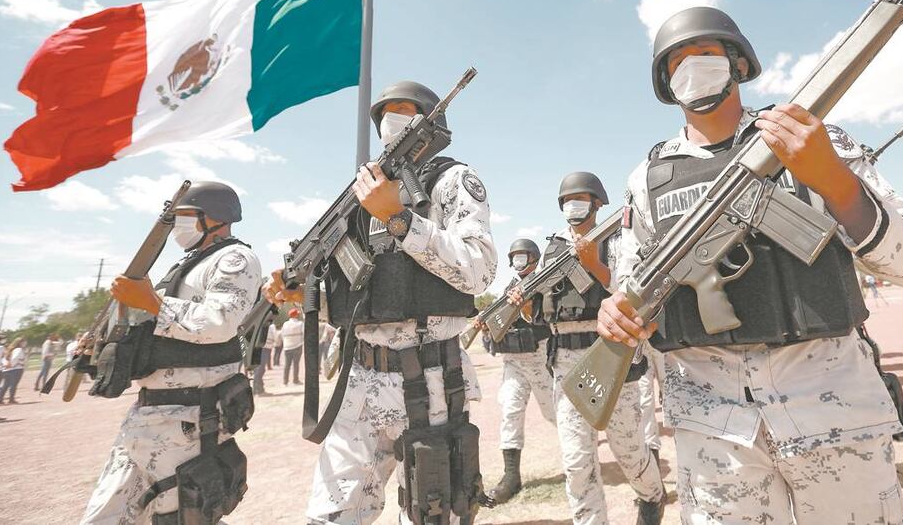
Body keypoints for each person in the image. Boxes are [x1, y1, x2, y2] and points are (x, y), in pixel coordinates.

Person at [597, 6, 903, 524]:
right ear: (665, 83)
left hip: (832, 408)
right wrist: (617, 313)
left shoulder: (813, 137)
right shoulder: (647, 178)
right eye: (677, 62)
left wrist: (835, 181)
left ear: (738, 63)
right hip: (712, 429)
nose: (692, 68)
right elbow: (629, 286)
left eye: (704, 55)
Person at [265, 80, 497, 524]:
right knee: (329, 516)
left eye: (403, 109)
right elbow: (358, 291)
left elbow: (479, 271)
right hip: (360, 380)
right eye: (384, 113)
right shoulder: (364, 194)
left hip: (430, 381)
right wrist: (306, 291)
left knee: (433, 514)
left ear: (429, 120)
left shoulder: (452, 181)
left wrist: (400, 218)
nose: (391, 119)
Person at [80, 181, 263, 523]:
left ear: (215, 218)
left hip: (190, 417)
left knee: (178, 515)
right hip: (146, 415)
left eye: (186, 217)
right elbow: (151, 331)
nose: (179, 226)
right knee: (104, 516)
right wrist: (102, 348)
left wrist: (152, 302)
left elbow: (220, 321)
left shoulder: (235, 258)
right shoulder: (183, 266)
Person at [526, 172, 665, 525]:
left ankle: (652, 497)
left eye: (582, 197)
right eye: (567, 199)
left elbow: (634, 291)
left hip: (610, 355)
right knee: (576, 461)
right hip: (566, 362)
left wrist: (594, 266)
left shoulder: (617, 237)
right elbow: (540, 312)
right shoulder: (553, 248)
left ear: (598, 203)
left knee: (630, 452)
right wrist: (524, 306)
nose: (573, 205)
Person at [483, 238, 557, 506]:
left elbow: (545, 317)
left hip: (539, 360)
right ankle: (511, 476)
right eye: (514, 256)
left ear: (535, 258)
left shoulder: (545, 282)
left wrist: (526, 307)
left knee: (557, 415)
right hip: (513, 363)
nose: (518, 260)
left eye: (523, 255)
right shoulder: (510, 287)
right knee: (509, 413)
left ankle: (583, 455)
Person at [0, 336, 26, 404]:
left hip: (6, 370)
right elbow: (15, 358)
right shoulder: (19, 349)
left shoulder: (9, 349)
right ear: (20, 343)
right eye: (23, 342)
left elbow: (3, 359)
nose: (25, 343)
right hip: (16, 369)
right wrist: (10, 365)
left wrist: (5, 365)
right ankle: (11, 399)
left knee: (5, 385)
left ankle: (0, 399)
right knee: (13, 385)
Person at [280, 308, 303, 386]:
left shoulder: (285, 324)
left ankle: (285, 381)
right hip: (297, 346)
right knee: (296, 364)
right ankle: (295, 380)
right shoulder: (300, 323)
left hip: (287, 346)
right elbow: (303, 334)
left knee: (287, 365)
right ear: (296, 315)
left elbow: (282, 334)